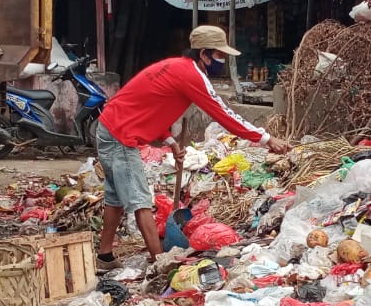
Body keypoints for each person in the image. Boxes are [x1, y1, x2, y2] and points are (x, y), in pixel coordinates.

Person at [94, 25, 291, 271]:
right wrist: (265, 138)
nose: (222, 61)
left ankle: (104, 257)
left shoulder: (175, 67)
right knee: (140, 200)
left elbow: (146, 108)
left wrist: (171, 141)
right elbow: (223, 112)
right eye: (219, 55)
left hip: (110, 128)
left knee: (116, 198)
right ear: (203, 55)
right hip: (121, 136)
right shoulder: (190, 74)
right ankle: (159, 264)